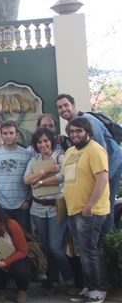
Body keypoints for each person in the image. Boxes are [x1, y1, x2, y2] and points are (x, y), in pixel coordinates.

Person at [56, 93, 122, 235]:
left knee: (106, 205)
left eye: (66, 105)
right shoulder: (74, 124)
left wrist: (102, 177)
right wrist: (66, 140)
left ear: (74, 106)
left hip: (111, 164)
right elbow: (81, 148)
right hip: (102, 166)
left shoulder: (88, 120)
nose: (63, 109)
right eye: (59, 107)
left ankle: (107, 244)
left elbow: (100, 149)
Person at [62, 117, 110, 303]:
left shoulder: (95, 150)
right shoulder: (70, 152)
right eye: (72, 131)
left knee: (89, 251)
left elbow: (102, 180)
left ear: (87, 132)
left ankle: (96, 290)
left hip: (90, 211)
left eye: (79, 131)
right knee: (82, 251)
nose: (75, 134)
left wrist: (89, 206)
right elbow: (65, 176)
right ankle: (88, 287)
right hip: (74, 210)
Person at [23, 128, 73, 292]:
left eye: (46, 141)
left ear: (51, 141)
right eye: (39, 142)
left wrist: (42, 182)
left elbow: (64, 176)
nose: (43, 144)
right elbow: (27, 180)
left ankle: (68, 277)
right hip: (37, 209)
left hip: (56, 208)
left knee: (55, 247)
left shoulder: (60, 157)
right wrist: (46, 171)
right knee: (45, 246)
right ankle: (53, 280)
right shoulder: (34, 161)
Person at [0, 120, 31, 232]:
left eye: (11, 133)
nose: (8, 136)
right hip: (2, 206)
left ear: (17, 134)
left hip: (22, 207)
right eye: (5, 133)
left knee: (24, 238)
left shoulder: (26, 154)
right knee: (4, 240)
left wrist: (28, 201)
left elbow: (31, 181)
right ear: (1, 134)